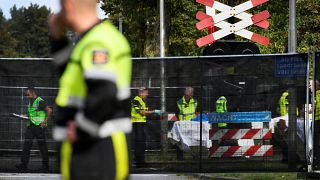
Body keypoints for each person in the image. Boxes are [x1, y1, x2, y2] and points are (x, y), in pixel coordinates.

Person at [48, 0, 132, 179]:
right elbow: (68, 76)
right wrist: (58, 39)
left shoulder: (98, 41)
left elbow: (104, 93)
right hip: (90, 150)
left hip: (97, 152)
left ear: (68, 5)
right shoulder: (90, 40)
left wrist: (80, 128)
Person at [15, 87, 50, 172]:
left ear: (33, 92)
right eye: (26, 95)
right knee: (26, 146)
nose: (27, 96)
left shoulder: (40, 101)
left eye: (28, 94)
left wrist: (45, 122)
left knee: (42, 147)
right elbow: (33, 113)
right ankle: (23, 165)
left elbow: (49, 110)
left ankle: (45, 167)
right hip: (30, 126)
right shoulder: (30, 102)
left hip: (39, 127)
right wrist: (25, 115)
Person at [131, 87, 159, 167]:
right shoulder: (136, 100)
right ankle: (139, 162)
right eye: (146, 93)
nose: (147, 94)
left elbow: (145, 111)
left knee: (142, 143)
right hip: (137, 124)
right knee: (139, 143)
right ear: (141, 93)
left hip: (142, 123)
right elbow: (142, 113)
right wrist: (154, 111)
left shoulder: (142, 101)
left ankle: (141, 161)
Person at [175, 87, 197, 160]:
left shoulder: (195, 101)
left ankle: (194, 156)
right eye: (191, 92)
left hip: (192, 125)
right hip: (182, 125)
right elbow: (176, 113)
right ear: (186, 93)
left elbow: (196, 112)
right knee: (181, 141)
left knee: (193, 141)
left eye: (192, 92)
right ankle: (180, 158)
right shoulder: (179, 102)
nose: (192, 94)